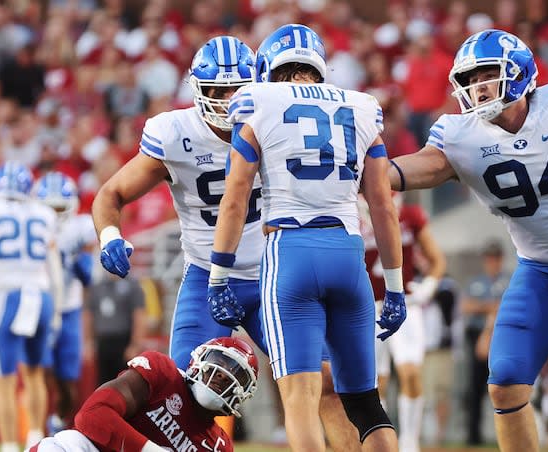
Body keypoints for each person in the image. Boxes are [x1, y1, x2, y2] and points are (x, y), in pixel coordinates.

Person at [92, 35, 359, 447]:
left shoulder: (280, 121)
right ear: (198, 91)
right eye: (217, 91)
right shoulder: (174, 132)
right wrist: (110, 235)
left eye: (236, 89)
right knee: (178, 397)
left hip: (278, 275)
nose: (227, 99)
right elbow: (110, 194)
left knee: (325, 382)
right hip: (207, 276)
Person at [387, 28, 548, 452]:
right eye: (468, 80)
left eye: (486, 75)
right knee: (504, 381)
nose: (476, 88)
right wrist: (376, 173)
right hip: (545, 272)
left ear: (518, 73)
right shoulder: (460, 134)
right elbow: (426, 166)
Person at [208, 24, 406, 452]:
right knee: (365, 403)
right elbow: (383, 205)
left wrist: (218, 275)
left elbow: (235, 198)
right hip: (348, 253)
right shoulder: (360, 105)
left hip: (291, 251)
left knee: (300, 398)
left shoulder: (257, 101)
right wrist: (394, 287)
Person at [0, 161, 64, 452]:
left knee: (4, 380)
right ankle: (35, 439)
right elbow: (55, 272)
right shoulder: (44, 213)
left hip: (9, 294)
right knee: (35, 374)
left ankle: (9, 445)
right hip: (42, 296)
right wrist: (56, 316)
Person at [29, 336, 259, 452]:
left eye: (236, 373)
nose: (222, 375)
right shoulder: (163, 374)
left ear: (244, 393)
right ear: (198, 361)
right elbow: (92, 416)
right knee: (66, 444)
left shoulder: (218, 446)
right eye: (219, 363)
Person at [361, 193, 446, 452]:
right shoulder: (353, 218)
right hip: (369, 308)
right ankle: (383, 443)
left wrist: (428, 287)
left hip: (404, 304)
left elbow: (437, 260)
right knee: (376, 383)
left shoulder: (409, 217)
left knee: (410, 373)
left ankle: (410, 442)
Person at [33, 171, 96, 435]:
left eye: (59, 207)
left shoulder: (80, 227)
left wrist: (79, 260)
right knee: (40, 369)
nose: (55, 214)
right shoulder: (33, 226)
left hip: (70, 307)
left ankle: (59, 421)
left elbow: (91, 275)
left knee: (67, 378)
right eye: (50, 207)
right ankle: (38, 425)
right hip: (41, 305)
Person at [461, 239, 509, 446]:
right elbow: (466, 306)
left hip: (502, 335)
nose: (492, 262)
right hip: (476, 333)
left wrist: (487, 310)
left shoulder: (508, 280)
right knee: (475, 387)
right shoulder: (476, 282)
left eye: (495, 257)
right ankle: (473, 436)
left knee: (503, 386)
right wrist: (489, 307)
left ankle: (506, 436)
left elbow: (506, 306)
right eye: (489, 258)